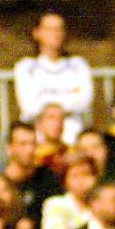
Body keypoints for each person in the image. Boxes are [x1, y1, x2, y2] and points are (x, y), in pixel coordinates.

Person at [13, 13, 94, 145]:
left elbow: (84, 101)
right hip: (38, 141)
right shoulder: (26, 67)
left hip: (74, 136)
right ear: (37, 33)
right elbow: (29, 107)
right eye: (49, 29)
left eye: (59, 29)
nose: (55, 33)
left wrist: (44, 101)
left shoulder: (78, 65)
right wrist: (68, 98)